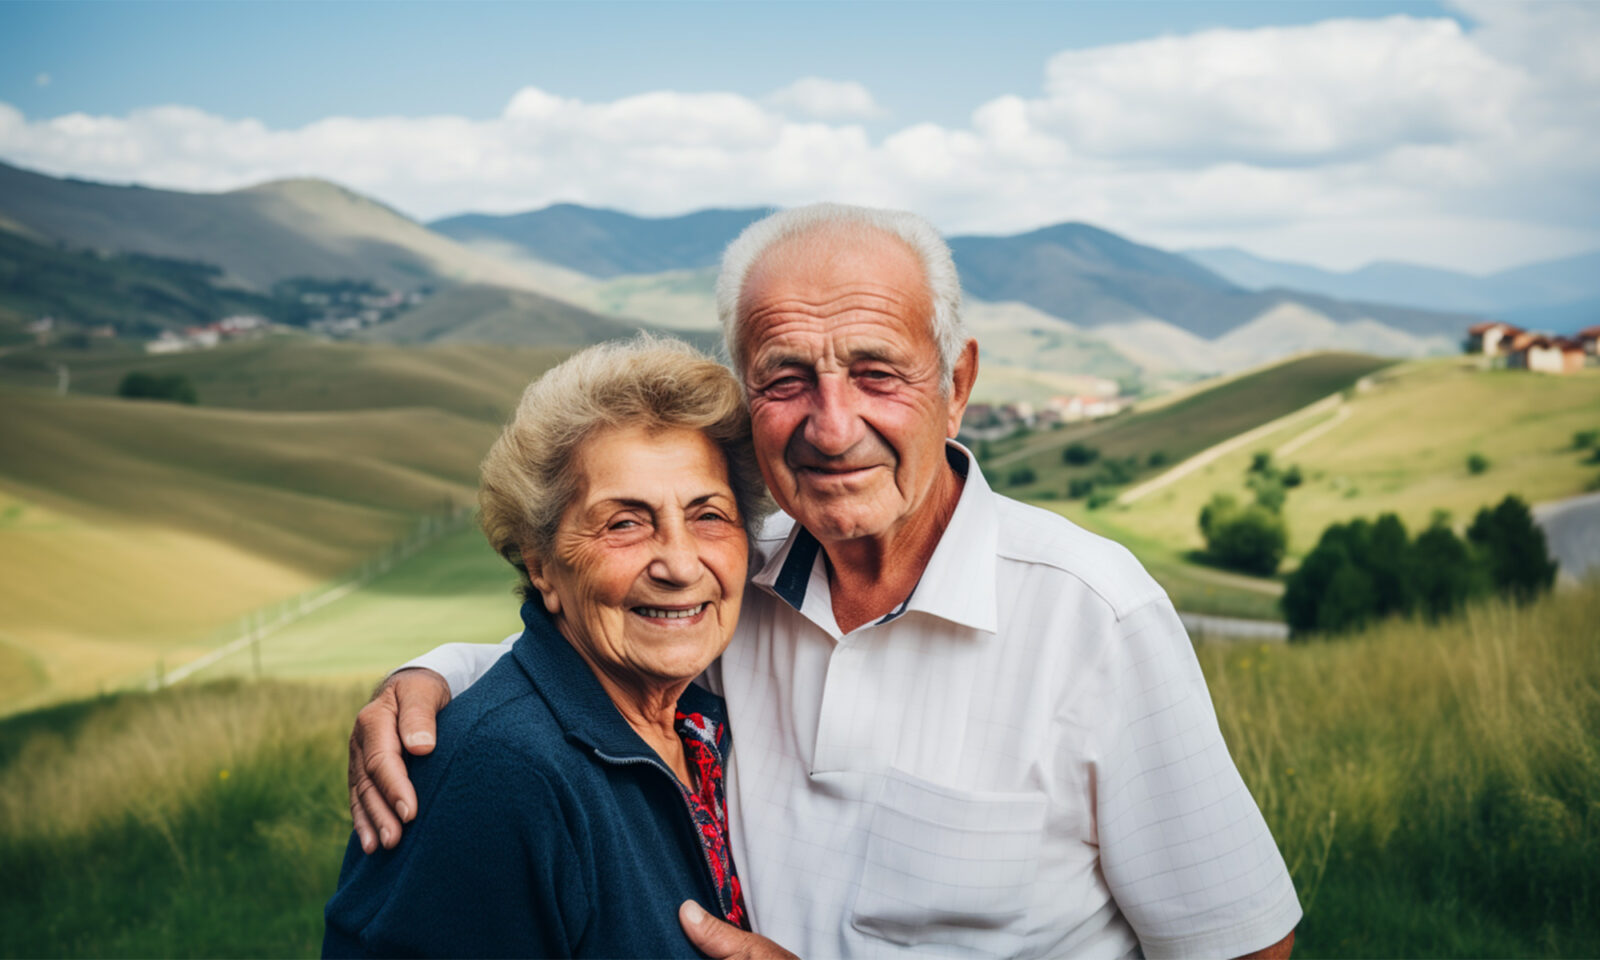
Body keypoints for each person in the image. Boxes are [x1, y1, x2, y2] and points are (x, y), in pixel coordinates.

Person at [349, 204, 1302, 959]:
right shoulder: (737, 580)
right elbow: (604, 658)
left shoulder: (1091, 613)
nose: (833, 423)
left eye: (877, 371)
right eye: (787, 376)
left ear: (956, 382)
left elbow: (1243, 949)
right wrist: (433, 681)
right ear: (745, 393)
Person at [324, 338, 772, 957]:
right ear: (542, 567)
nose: (678, 563)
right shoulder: (501, 778)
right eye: (624, 522)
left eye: (708, 516)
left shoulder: (694, 725)